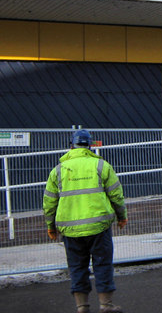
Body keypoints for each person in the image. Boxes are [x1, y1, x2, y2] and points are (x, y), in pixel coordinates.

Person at [43, 129, 128, 313]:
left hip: (70, 231)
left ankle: (82, 307)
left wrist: (51, 226)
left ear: (71, 146)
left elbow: (49, 203)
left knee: (77, 267)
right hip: (99, 228)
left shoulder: (58, 171)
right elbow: (117, 195)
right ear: (89, 145)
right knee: (102, 264)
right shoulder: (101, 166)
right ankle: (106, 305)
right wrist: (122, 217)